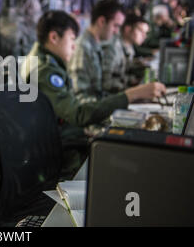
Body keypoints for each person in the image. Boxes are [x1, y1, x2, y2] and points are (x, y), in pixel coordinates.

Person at [20, 10, 166, 179]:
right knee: (131, 166)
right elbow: (78, 114)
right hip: (61, 152)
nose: (74, 46)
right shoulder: (46, 71)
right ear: (54, 38)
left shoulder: (44, 60)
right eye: (72, 39)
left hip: (61, 139)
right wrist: (130, 95)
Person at [68, 0, 125, 103]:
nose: (116, 31)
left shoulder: (95, 45)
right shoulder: (83, 48)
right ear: (102, 21)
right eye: (115, 26)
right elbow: (78, 99)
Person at [102, 13, 150, 94]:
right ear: (127, 29)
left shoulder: (129, 46)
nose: (144, 36)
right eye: (141, 31)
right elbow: (106, 83)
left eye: (146, 33)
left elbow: (121, 73)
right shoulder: (113, 48)